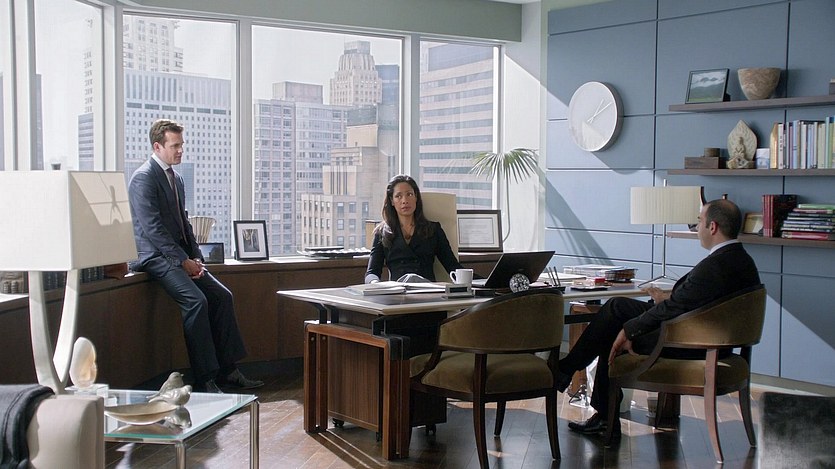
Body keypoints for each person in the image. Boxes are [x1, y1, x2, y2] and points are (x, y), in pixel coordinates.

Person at [556, 198, 760, 437]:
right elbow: (696, 302)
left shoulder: (715, 266)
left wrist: (630, 329)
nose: (697, 228)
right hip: (709, 338)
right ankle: (576, 382)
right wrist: (665, 299)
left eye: (699, 221)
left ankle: (571, 378)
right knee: (617, 308)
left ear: (712, 227)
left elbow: (676, 308)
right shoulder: (742, 261)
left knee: (613, 322)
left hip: (690, 344)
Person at [128, 119, 263, 393]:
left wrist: (196, 258)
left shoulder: (176, 178)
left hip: (179, 256)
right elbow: (153, 229)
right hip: (154, 256)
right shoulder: (143, 178)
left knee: (222, 296)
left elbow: (184, 223)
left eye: (182, 145)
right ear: (157, 146)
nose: (181, 150)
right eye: (175, 146)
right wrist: (183, 261)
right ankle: (206, 378)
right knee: (196, 301)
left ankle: (228, 371)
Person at [365, 174, 464, 283]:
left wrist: (477, 282)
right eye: (398, 196)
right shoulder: (382, 233)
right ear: (392, 201)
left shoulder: (433, 229)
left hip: (427, 290)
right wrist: (375, 283)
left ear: (416, 197)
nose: (405, 200)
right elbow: (372, 273)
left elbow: (453, 266)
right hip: (398, 290)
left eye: (409, 194)